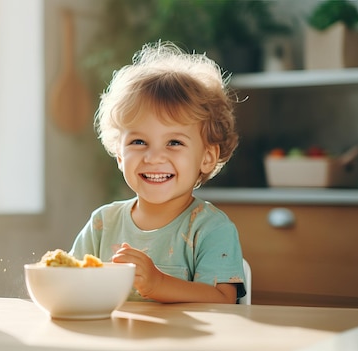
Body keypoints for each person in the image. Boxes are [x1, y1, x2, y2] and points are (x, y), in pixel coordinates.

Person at [69, 41, 246, 304]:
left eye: (174, 143)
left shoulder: (211, 229)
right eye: (138, 142)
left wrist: (157, 283)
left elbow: (222, 300)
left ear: (207, 158)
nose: (153, 157)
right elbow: (71, 283)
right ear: (119, 154)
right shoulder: (102, 224)